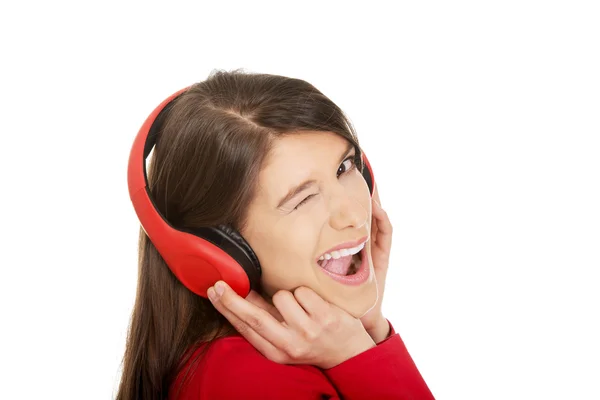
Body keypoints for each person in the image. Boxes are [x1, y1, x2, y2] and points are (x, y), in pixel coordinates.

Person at [116, 70, 435, 399]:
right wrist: (358, 355)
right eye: (303, 199)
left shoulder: (312, 349)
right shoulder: (253, 383)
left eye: (345, 167)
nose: (355, 215)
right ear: (221, 250)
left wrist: (368, 331)